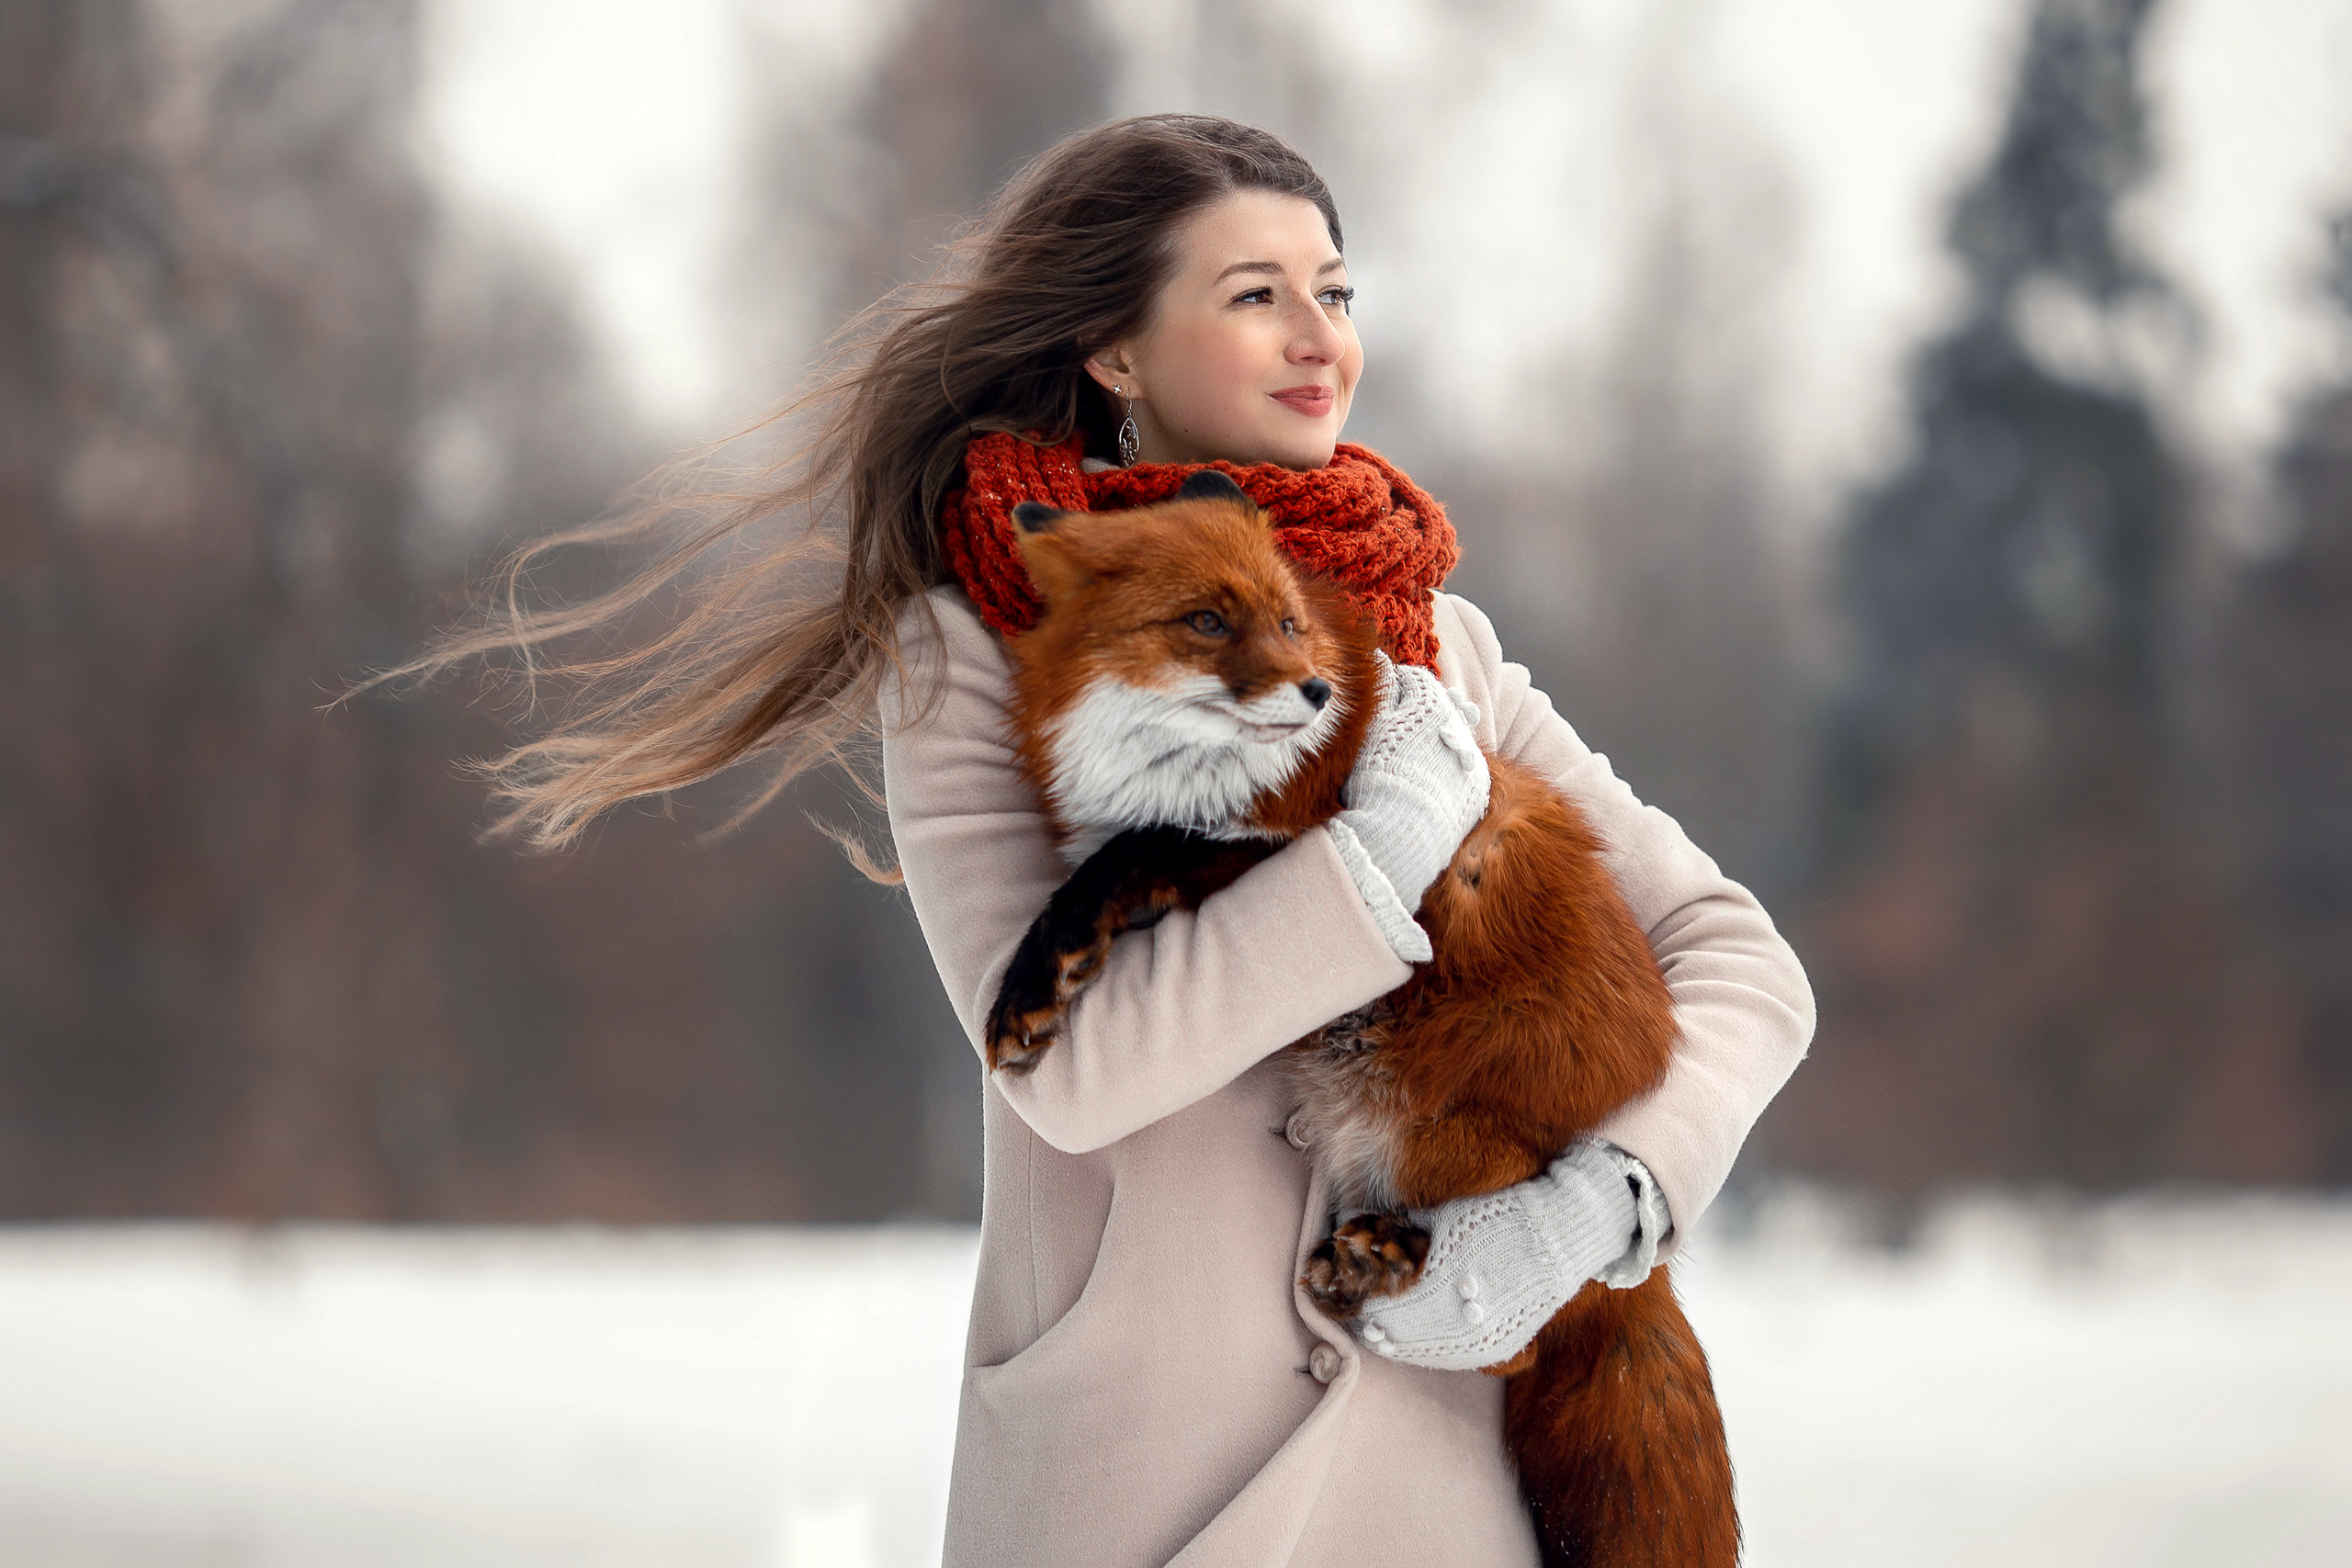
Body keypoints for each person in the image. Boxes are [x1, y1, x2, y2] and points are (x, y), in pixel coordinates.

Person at [407, 114, 1813, 1567]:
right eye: (1253, 294)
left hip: (1439, 1493)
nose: (1316, 336)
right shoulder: (968, 654)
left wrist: (1594, 1212)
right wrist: (1377, 859)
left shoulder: (1439, 649)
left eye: (1335, 291)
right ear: (1114, 351)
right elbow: (1072, 1072)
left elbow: (1744, 962)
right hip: (1138, 1491)